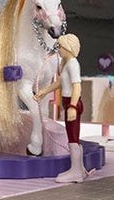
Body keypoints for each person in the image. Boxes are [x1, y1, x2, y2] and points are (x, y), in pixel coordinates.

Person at [35, 33, 88, 183]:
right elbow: (60, 83)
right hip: (68, 103)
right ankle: (79, 169)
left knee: (72, 138)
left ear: (67, 47)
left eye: (60, 47)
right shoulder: (66, 64)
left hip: (72, 103)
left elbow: (77, 87)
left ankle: (76, 172)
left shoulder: (72, 64)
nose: (58, 49)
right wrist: (44, 91)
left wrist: (72, 106)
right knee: (73, 136)